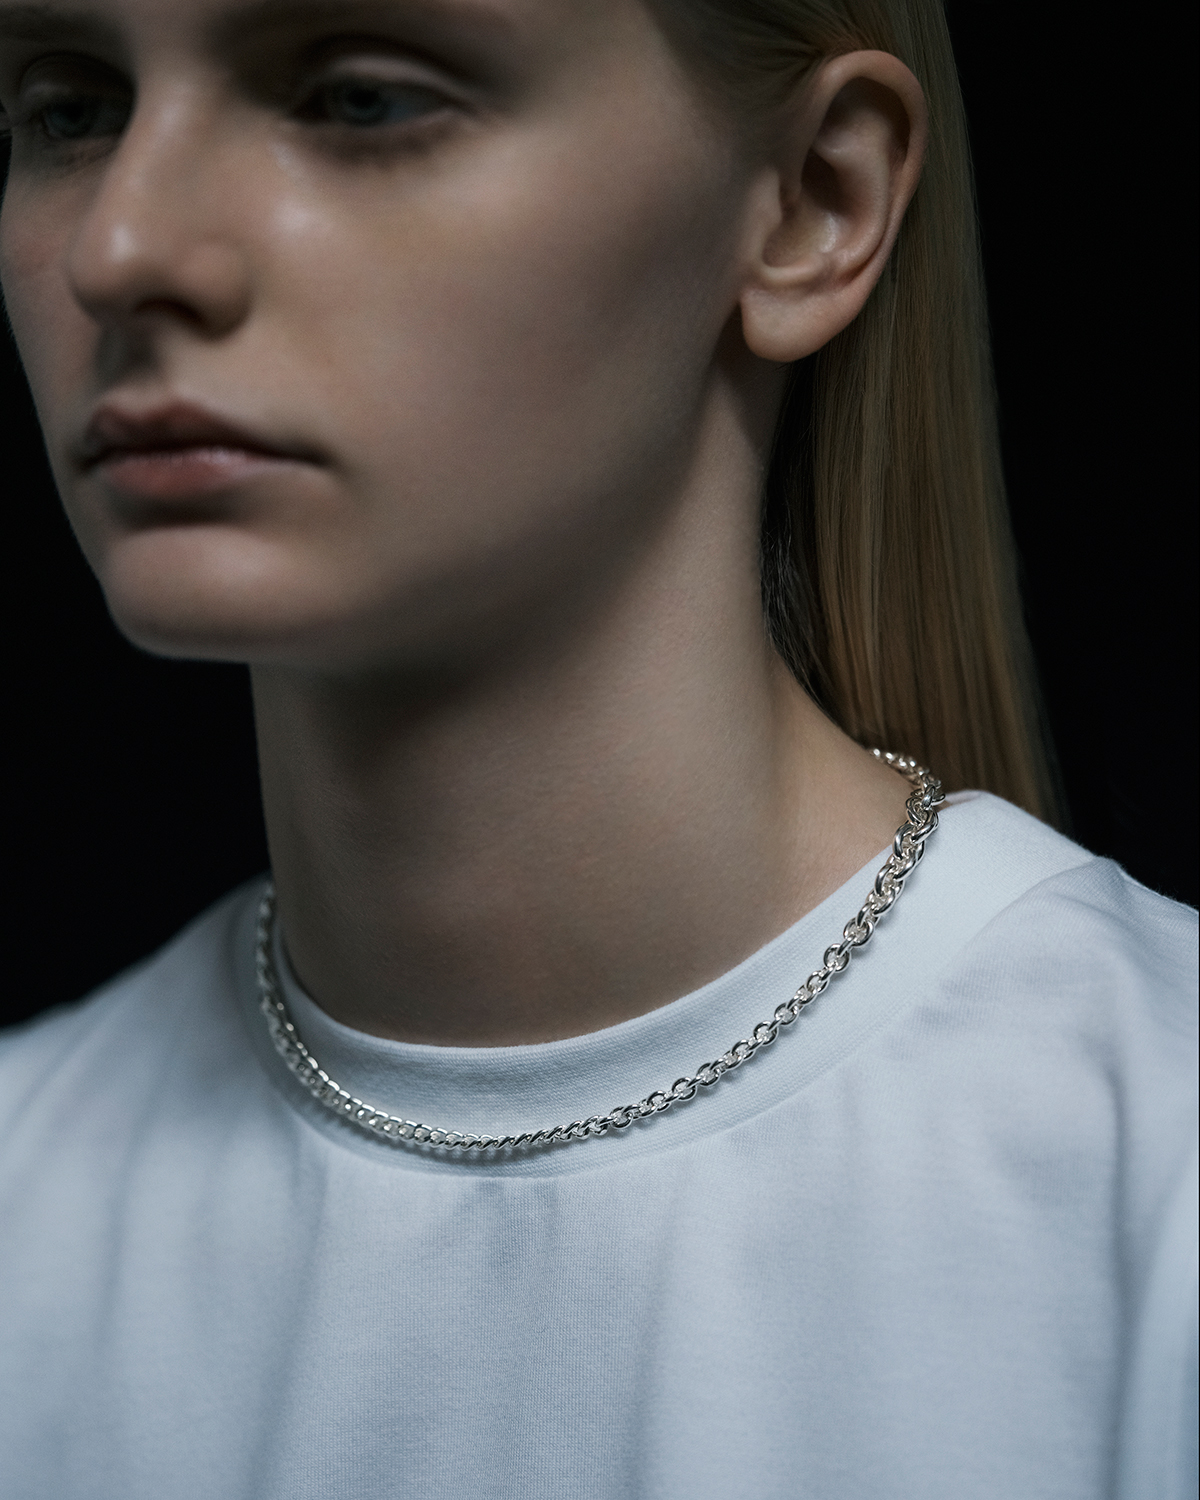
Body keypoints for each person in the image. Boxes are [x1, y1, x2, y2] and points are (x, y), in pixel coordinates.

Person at [0, 0, 1194, 1496]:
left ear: (813, 203)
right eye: (71, 108)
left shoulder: (1156, 1178)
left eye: (362, 98)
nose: (123, 248)